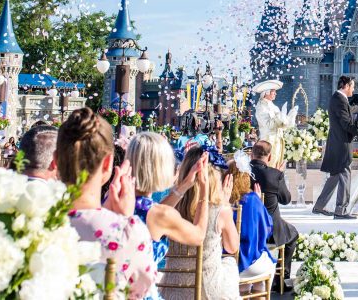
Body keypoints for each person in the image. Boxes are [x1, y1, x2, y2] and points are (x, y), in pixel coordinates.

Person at [57, 108, 156, 300]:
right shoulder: (126, 232)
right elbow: (141, 292)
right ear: (107, 164)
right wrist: (122, 219)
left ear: (55, 161)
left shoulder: (30, 221)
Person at [126, 131, 207, 297]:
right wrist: (204, 190)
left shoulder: (116, 200)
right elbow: (198, 236)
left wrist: (184, 185)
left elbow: (153, 212)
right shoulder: (160, 215)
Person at [163, 146, 240, 300]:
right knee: (230, 262)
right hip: (207, 290)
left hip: (172, 289)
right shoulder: (220, 211)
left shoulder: (170, 208)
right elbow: (232, 247)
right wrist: (226, 204)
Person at [313, 75, 358, 220]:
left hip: (337, 142)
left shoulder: (339, 99)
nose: (354, 89)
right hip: (341, 144)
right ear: (346, 86)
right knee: (345, 175)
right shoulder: (339, 100)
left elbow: (348, 110)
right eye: (353, 86)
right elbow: (346, 124)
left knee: (335, 176)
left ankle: (319, 206)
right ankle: (341, 210)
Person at [250, 140, 298, 288]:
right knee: (293, 234)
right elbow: (286, 199)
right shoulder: (274, 175)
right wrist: (279, 176)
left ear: (251, 154)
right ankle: (280, 279)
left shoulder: (242, 172)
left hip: (246, 228)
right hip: (269, 230)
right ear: (269, 157)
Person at [230, 154, 277, 282]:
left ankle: (244, 290)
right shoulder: (252, 199)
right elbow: (268, 229)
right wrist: (259, 204)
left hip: (226, 260)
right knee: (269, 266)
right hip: (250, 260)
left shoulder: (222, 199)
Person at [252, 79, 296, 171]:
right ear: (266, 93)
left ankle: (274, 181)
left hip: (278, 140)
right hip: (268, 141)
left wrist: (289, 118)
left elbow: (281, 125)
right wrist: (279, 117)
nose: (275, 94)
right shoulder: (261, 107)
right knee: (268, 165)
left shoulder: (274, 106)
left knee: (276, 166)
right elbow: (267, 125)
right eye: (273, 92)